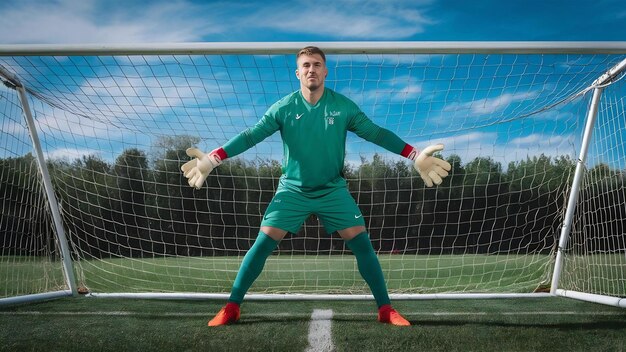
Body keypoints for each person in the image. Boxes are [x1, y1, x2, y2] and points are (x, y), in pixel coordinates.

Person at [181, 46, 451, 327]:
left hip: (332, 190)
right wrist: (214, 158)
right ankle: (232, 307)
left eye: (317, 64)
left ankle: (385, 309)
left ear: (325, 71)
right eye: (306, 65)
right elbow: (251, 135)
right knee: (262, 243)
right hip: (292, 190)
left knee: (362, 244)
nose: (312, 69)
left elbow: (375, 133)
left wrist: (413, 154)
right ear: (298, 72)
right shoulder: (283, 108)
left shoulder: (343, 106)